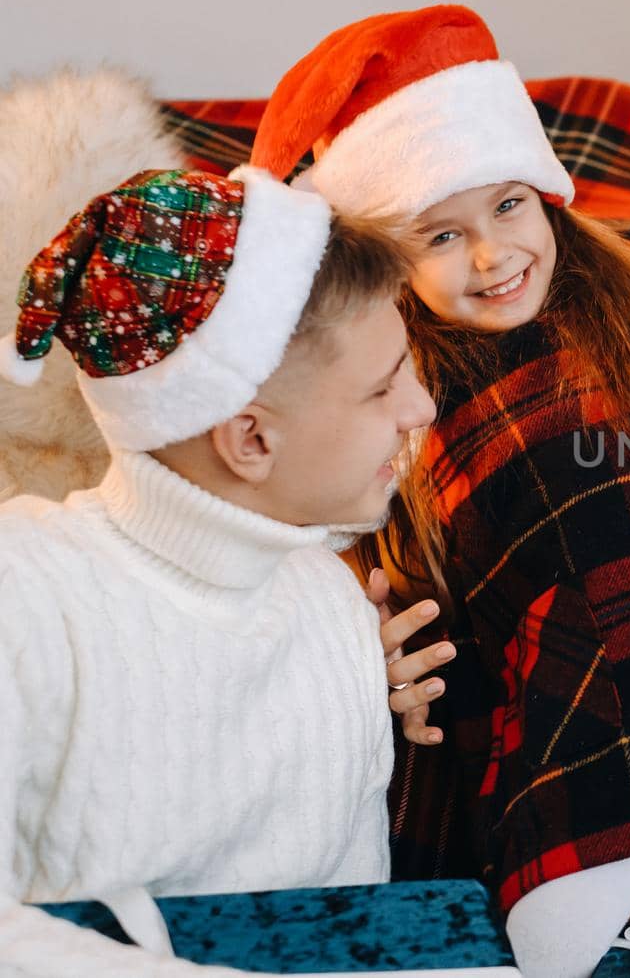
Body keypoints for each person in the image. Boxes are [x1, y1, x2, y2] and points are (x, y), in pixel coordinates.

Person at [248, 6, 630, 978]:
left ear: (548, 198)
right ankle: (595, 863)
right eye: (438, 234)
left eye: (508, 207)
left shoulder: (625, 306)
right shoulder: (387, 377)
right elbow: (327, 528)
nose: (492, 256)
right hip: (517, 651)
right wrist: (355, 641)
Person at [0, 167, 436, 974]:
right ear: (251, 441)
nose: (421, 408)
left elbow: (354, 931)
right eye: (382, 388)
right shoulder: (23, 596)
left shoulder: (335, 608)